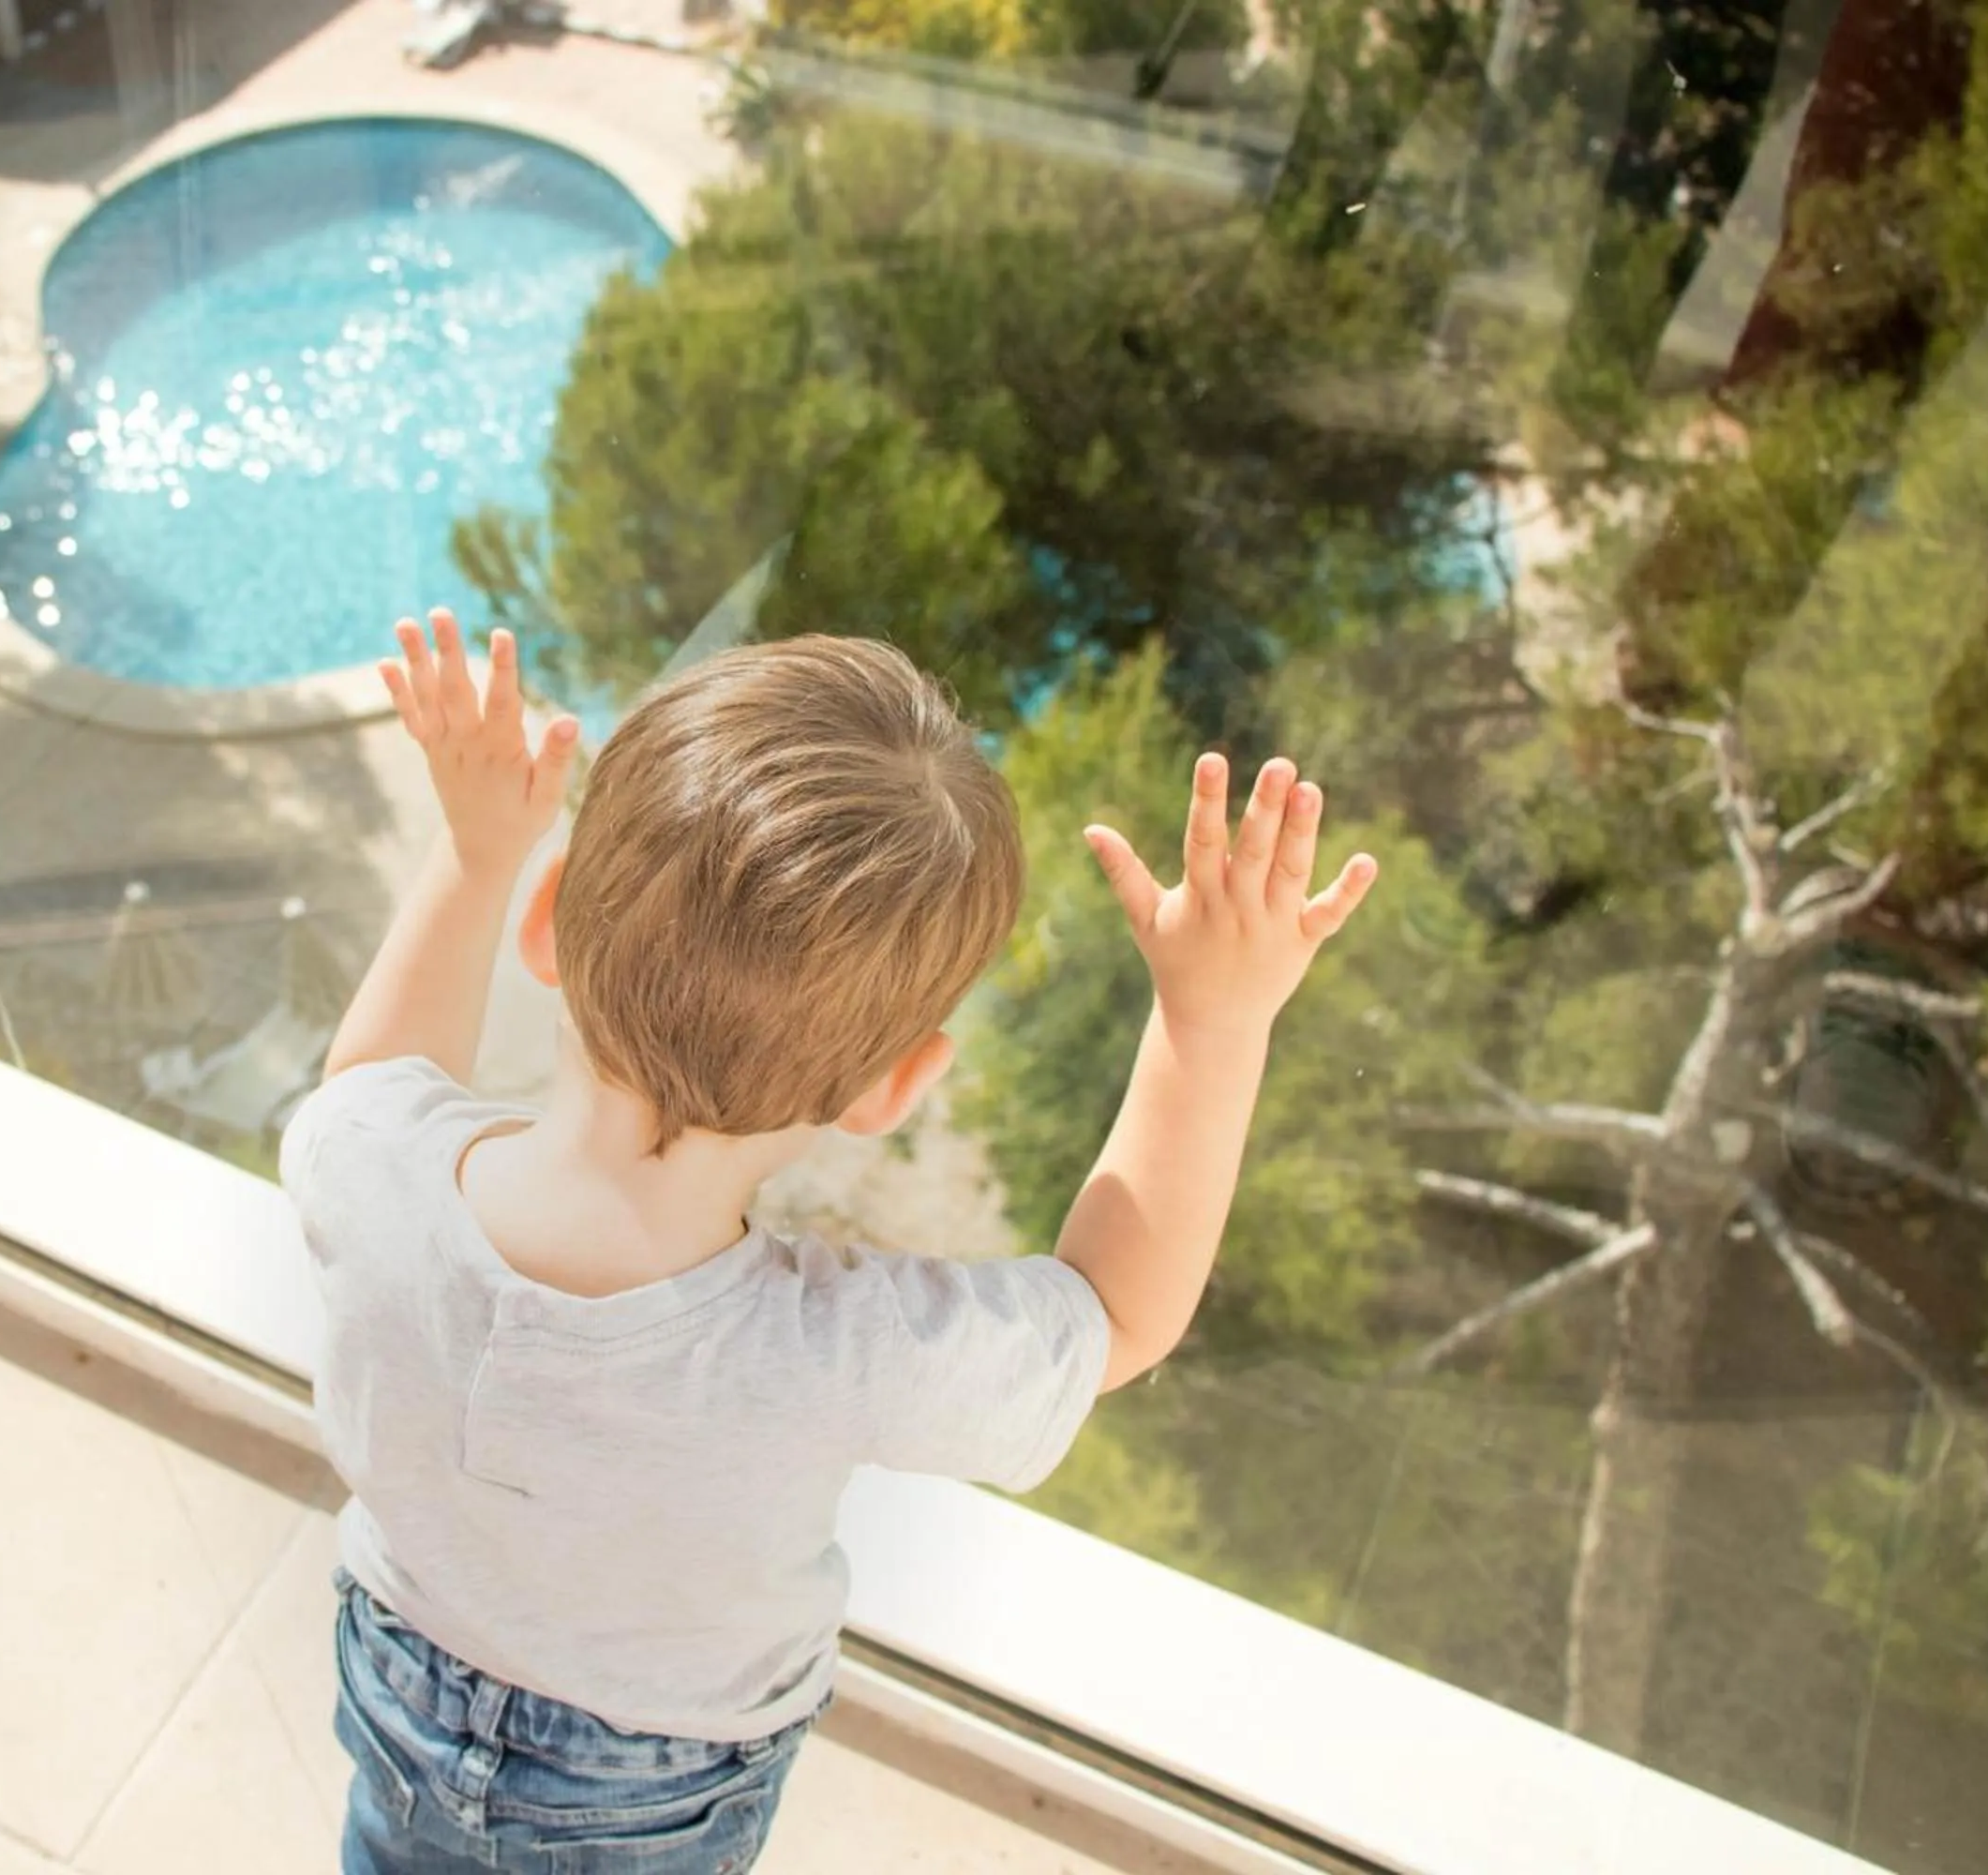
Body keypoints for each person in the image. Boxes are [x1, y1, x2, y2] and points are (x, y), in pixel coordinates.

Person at [281, 609, 1378, 1874]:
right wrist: (1212, 1019)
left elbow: (371, 1076)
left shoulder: (377, 1170)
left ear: (547, 927)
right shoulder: (831, 1354)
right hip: (651, 1790)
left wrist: (479, 856)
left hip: (398, 1680)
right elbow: (1114, 1317)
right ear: (890, 1088)